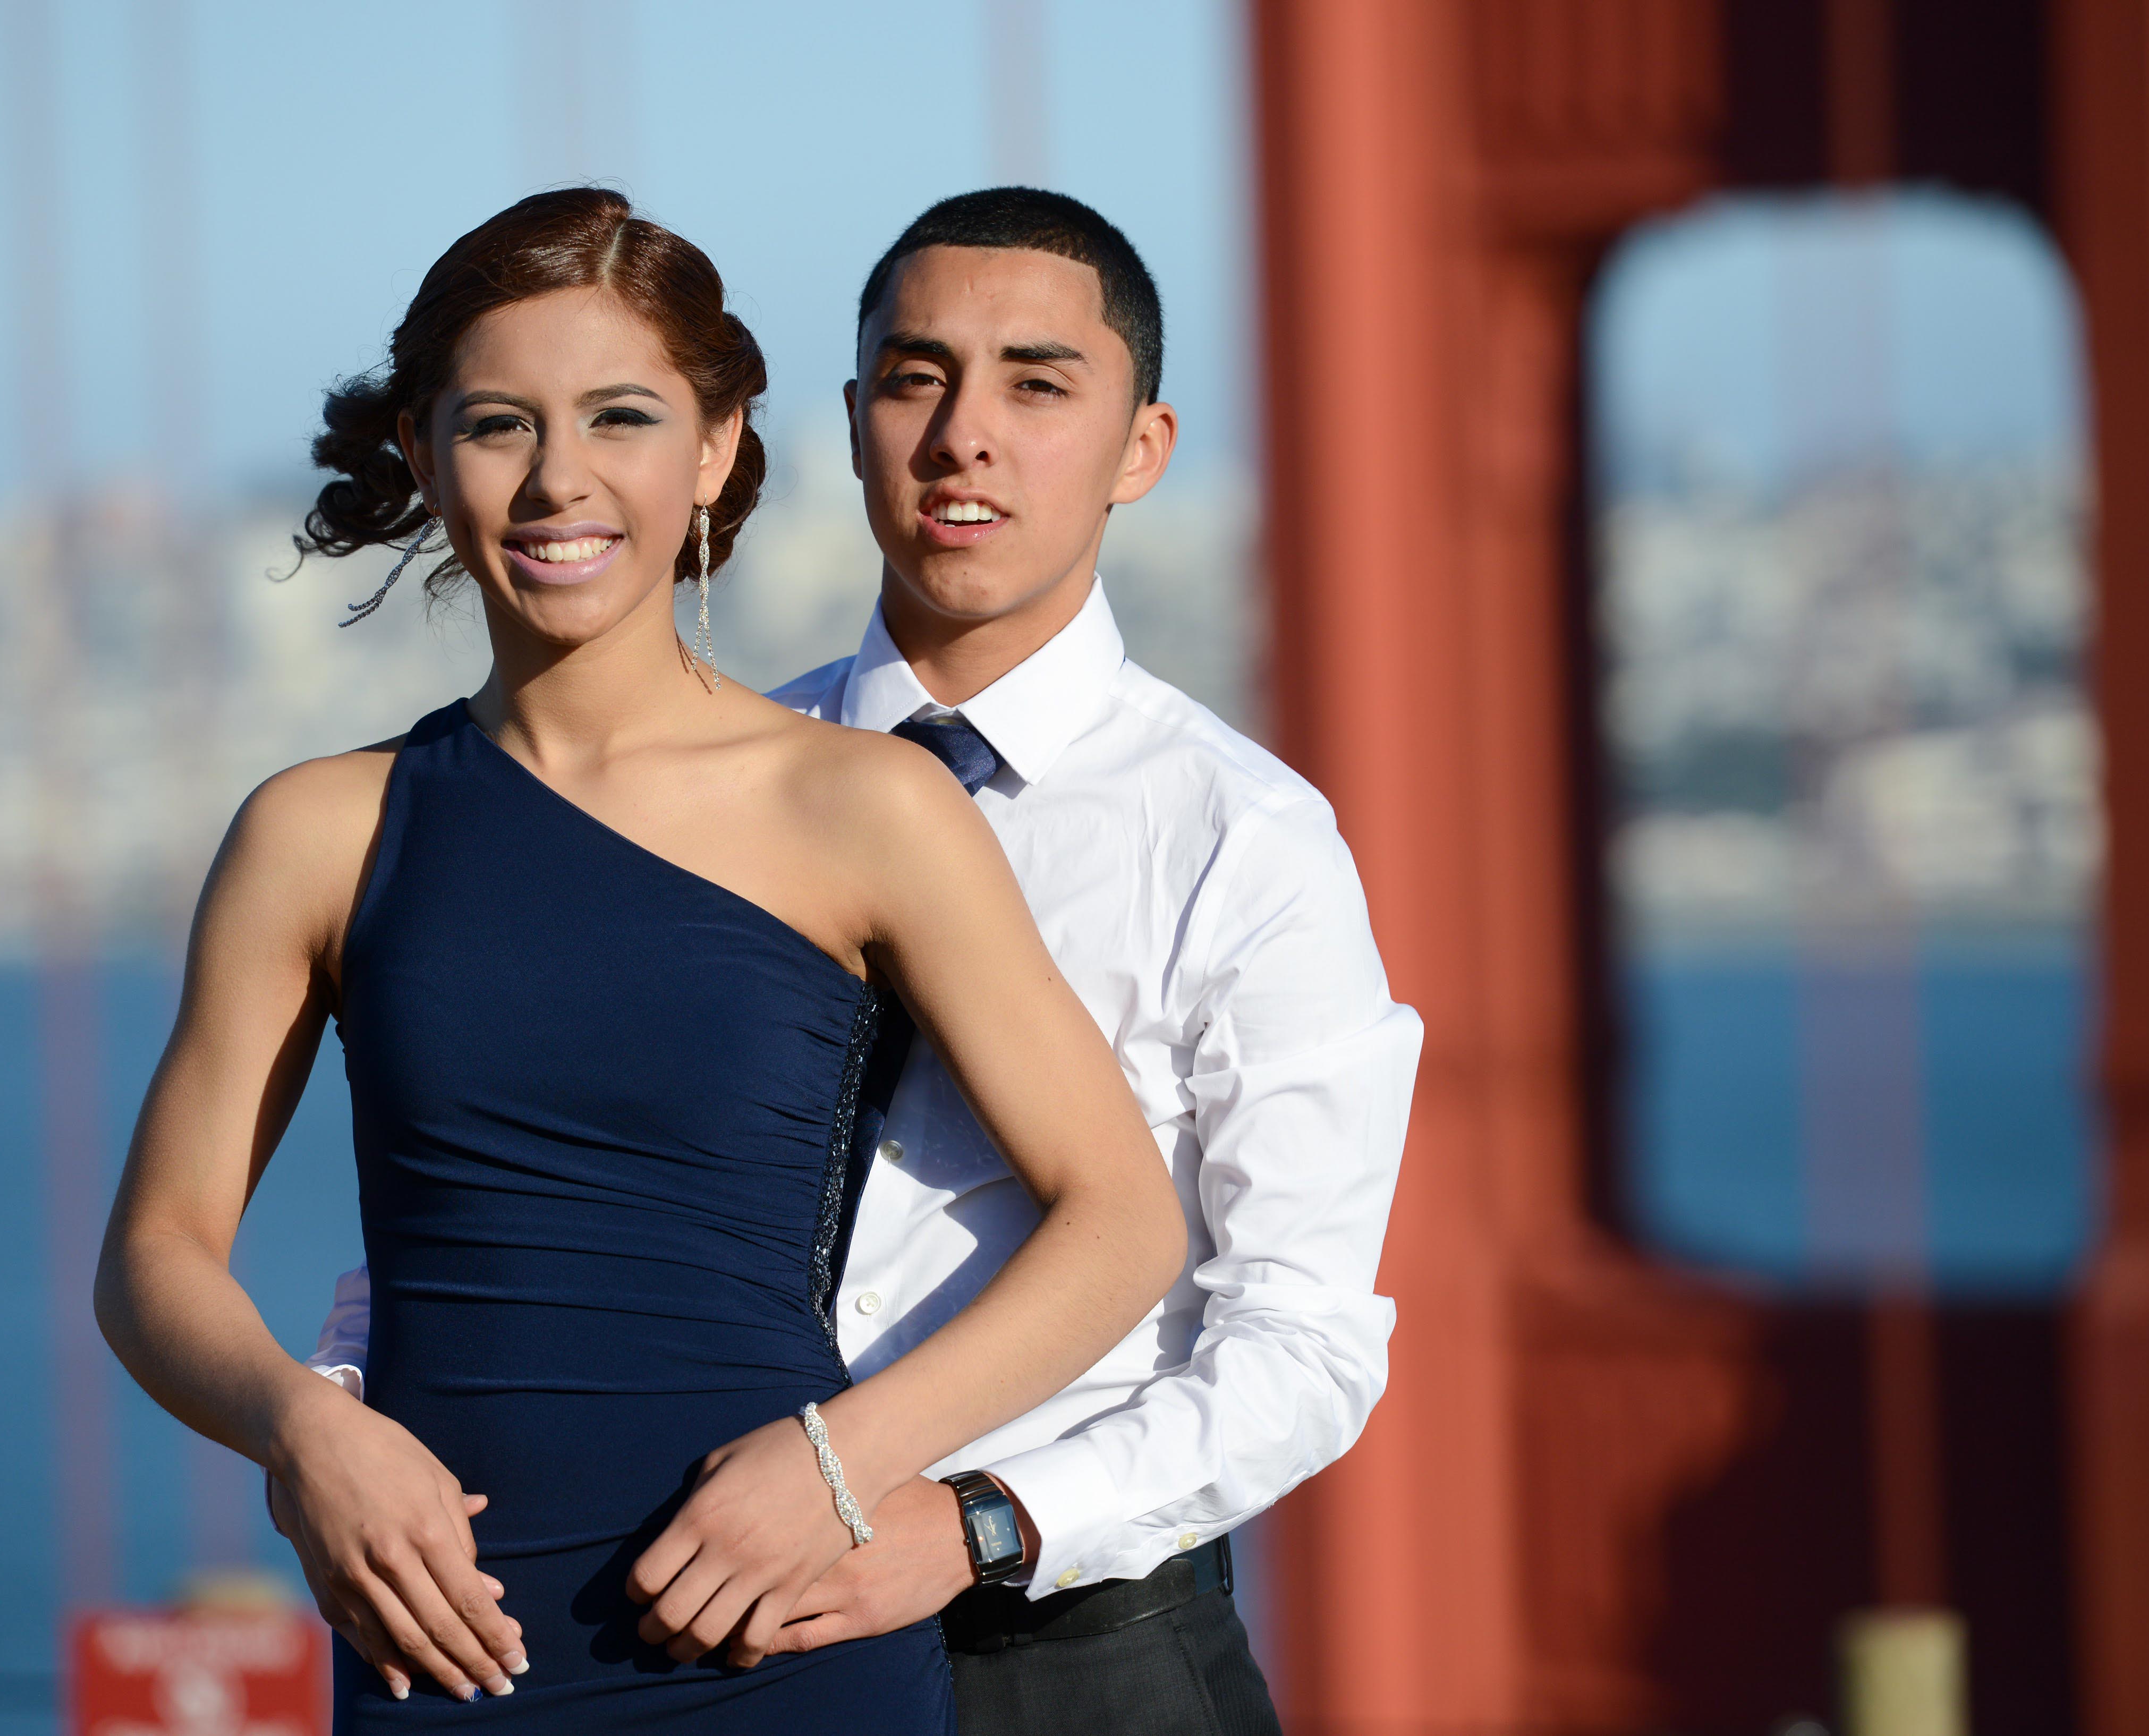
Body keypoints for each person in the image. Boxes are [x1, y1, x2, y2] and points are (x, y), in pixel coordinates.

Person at [294, 187, 1423, 1735]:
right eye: (915, 378)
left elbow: (1306, 1342)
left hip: (1070, 1654)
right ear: (844, 422)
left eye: (1038, 384)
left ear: (1141, 449)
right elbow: (528, 1176)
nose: (965, 436)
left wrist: (971, 1518)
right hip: (695, 1642)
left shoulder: (1246, 837)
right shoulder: (706, 784)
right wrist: (336, 1411)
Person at [94, 187, 1188, 1734]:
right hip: (435, 1634)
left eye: (621, 416)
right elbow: (153, 1256)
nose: (559, 481)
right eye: (497, 425)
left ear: (719, 445)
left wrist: (842, 1459)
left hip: (780, 1624)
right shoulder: (315, 832)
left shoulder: (866, 802)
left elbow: (1124, 1221)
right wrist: (299, 1431)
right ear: (422, 450)